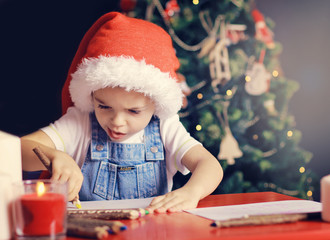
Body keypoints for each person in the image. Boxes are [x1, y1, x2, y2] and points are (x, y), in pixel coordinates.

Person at [21, 12, 223, 213]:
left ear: (156, 103)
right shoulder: (79, 123)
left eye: (134, 111)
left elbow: (209, 164)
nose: (117, 121)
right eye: (104, 106)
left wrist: (192, 192)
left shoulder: (164, 127)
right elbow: (19, 150)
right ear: (91, 96)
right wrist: (55, 155)